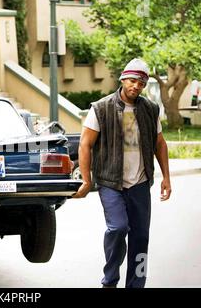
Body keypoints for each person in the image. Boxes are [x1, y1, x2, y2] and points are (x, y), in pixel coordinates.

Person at [73, 58, 172, 288]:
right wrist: (86, 180)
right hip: (111, 182)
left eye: (141, 83)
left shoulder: (150, 109)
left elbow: (160, 144)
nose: (136, 86)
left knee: (141, 238)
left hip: (139, 183)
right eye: (132, 80)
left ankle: (137, 284)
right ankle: (110, 279)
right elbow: (85, 144)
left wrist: (166, 177)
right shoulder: (101, 108)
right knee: (117, 229)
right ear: (123, 79)